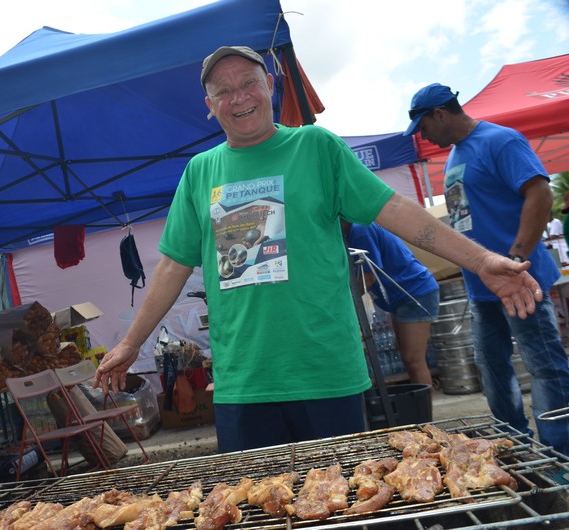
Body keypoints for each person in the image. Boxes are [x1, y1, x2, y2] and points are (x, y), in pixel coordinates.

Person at [94, 46, 541, 453]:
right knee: (257, 512)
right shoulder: (200, 171)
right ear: (210, 108)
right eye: (223, 91)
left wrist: (482, 261)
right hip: (245, 382)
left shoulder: (316, 146)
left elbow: (395, 209)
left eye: (249, 82)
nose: (239, 97)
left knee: (342, 504)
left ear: (270, 85)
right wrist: (132, 342)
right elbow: (173, 263)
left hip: (326, 372)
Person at [404, 82, 569, 456]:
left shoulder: (500, 140)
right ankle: (513, 446)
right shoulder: (455, 156)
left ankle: (561, 453)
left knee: (544, 365)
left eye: (424, 127)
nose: (424, 136)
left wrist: (516, 255)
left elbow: (540, 193)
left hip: (520, 280)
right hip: (482, 288)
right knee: (492, 370)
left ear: (440, 114)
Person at [342, 221, 439, 387]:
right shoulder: (350, 234)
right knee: (408, 359)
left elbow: (368, 277)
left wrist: (343, 303)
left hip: (414, 292)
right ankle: (419, 406)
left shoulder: (361, 231)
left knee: (414, 359)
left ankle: (423, 411)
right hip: (398, 298)